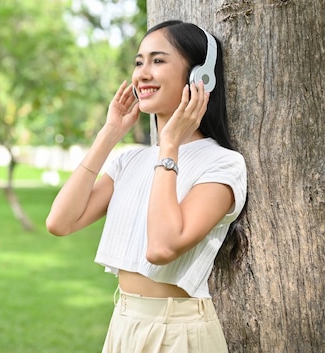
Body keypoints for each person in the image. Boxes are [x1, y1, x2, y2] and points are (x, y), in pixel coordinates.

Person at [46, 20, 247, 353]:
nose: (142, 73)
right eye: (139, 62)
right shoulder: (130, 160)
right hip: (123, 324)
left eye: (158, 60)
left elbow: (161, 248)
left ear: (199, 77)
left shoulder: (223, 164)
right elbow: (60, 222)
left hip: (180, 332)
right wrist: (109, 134)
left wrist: (169, 146)